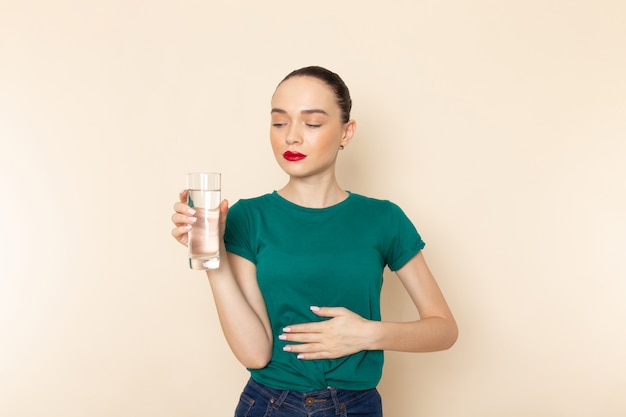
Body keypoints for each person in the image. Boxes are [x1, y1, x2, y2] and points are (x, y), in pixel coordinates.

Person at [171, 66, 458, 417]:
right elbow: (255, 354)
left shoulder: (384, 219)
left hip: (358, 407)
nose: (291, 137)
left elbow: (443, 329)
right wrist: (211, 257)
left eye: (312, 123)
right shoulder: (248, 217)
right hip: (268, 404)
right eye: (279, 123)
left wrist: (367, 334)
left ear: (346, 132)